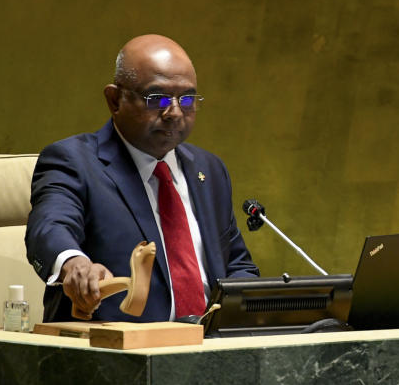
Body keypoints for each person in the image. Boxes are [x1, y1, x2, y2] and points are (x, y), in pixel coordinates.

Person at [26, 34, 259, 322]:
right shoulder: (74, 161)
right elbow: (49, 227)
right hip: (113, 353)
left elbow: (236, 264)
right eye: (156, 98)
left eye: (186, 99)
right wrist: (73, 263)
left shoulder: (209, 170)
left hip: (209, 351)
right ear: (114, 100)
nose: (174, 112)